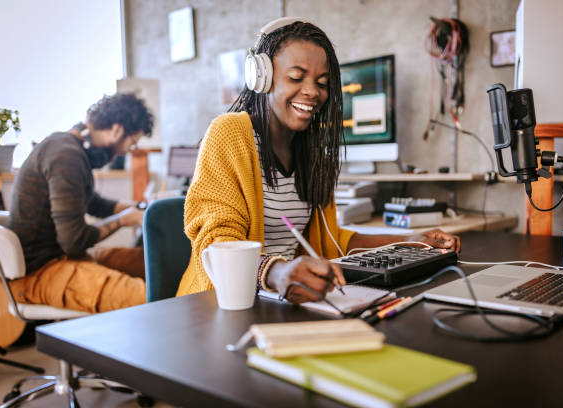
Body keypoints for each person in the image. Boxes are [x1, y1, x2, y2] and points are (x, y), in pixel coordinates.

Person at [177, 18, 460, 303]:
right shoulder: (229, 133)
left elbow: (332, 242)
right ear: (261, 77)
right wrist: (278, 273)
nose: (312, 91)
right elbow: (217, 244)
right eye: (296, 78)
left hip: (279, 301)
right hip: (217, 305)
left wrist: (409, 241)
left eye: (321, 83)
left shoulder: (314, 154)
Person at [7, 93, 154, 313]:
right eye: (131, 143)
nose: (126, 152)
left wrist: (139, 207)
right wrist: (124, 220)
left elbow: (91, 203)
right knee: (151, 297)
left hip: (64, 259)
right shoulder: (66, 156)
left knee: (153, 262)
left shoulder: (67, 147)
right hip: (39, 272)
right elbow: (74, 241)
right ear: (116, 130)